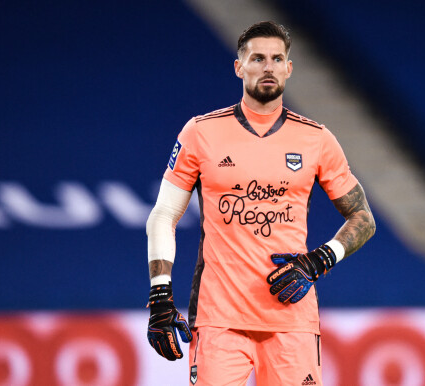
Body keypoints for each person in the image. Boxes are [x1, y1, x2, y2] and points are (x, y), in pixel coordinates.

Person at [145, 21, 376, 386]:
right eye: (257, 59)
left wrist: (321, 259)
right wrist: (160, 293)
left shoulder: (317, 139)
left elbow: (363, 217)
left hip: (292, 322)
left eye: (276, 59)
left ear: (288, 68)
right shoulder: (200, 132)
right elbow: (163, 215)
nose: (267, 67)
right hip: (219, 318)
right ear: (239, 67)